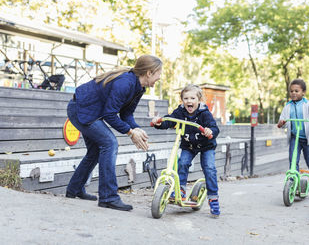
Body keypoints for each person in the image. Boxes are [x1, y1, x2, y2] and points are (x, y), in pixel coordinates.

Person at [66, 55, 162, 211]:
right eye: (159, 74)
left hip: (90, 111)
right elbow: (109, 115)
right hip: (81, 109)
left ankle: (74, 189)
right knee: (109, 144)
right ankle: (108, 197)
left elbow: (126, 115)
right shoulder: (125, 83)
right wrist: (130, 133)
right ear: (149, 72)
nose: (159, 78)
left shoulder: (138, 88)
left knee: (95, 151)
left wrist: (136, 129)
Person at [151, 84, 221, 216]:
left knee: (209, 168)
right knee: (182, 163)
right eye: (186, 98)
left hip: (206, 145)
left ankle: (213, 197)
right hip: (188, 145)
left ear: (199, 100)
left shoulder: (204, 114)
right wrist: (159, 123)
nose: (189, 101)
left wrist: (209, 130)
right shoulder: (180, 112)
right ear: (182, 100)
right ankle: (181, 190)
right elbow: (169, 121)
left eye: (193, 98)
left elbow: (214, 128)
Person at [277, 79, 309, 197]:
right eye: (291, 91)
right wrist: (281, 123)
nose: (293, 93)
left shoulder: (307, 104)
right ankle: (293, 182)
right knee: (293, 160)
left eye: (297, 91)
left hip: (308, 138)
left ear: (303, 92)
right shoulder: (288, 106)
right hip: (295, 137)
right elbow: (282, 119)